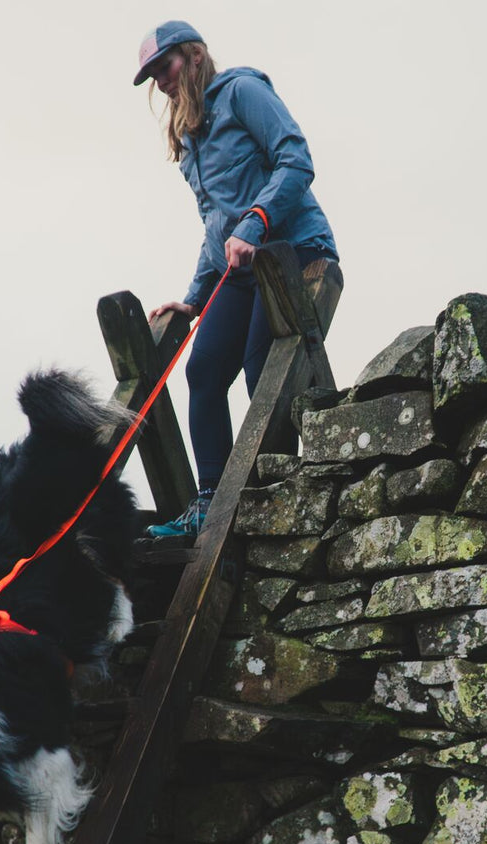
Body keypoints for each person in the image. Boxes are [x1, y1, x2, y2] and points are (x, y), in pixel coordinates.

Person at [133, 20, 339, 537]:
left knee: (259, 367)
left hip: (294, 251)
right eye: (153, 75)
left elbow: (296, 160)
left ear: (195, 55)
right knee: (202, 371)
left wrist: (256, 221)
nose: (161, 80)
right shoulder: (190, 138)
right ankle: (209, 505)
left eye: (165, 66)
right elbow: (215, 227)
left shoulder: (243, 91)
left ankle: (274, 495)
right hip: (242, 268)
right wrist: (193, 299)